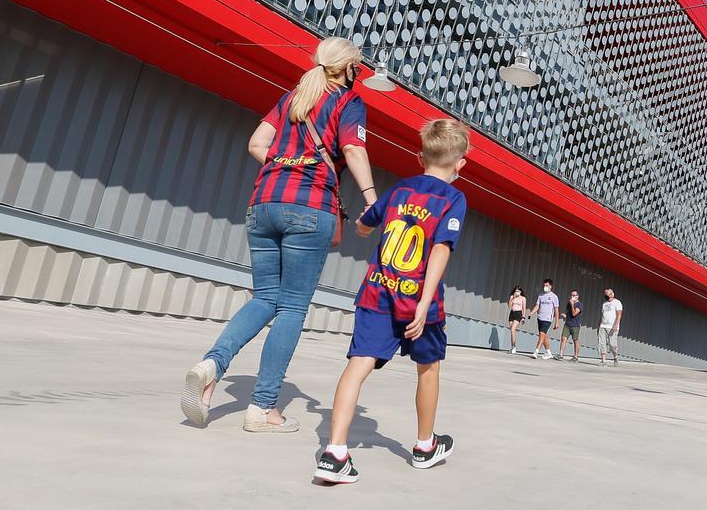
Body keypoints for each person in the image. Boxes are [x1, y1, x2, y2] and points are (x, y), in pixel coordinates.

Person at [180, 37, 376, 431]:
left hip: (263, 203)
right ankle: (262, 409)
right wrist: (372, 199)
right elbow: (353, 150)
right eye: (358, 65)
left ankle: (211, 365)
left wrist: (287, 165)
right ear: (348, 68)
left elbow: (257, 143)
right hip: (308, 207)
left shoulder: (293, 97)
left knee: (265, 297)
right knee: (291, 307)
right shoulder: (347, 102)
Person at [314, 119, 469, 483]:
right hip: (419, 301)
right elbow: (441, 251)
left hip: (378, 293)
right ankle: (424, 445)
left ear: (420, 157)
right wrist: (424, 301)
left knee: (358, 364)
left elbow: (367, 223)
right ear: (460, 163)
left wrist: (366, 226)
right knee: (428, 367)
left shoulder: (400, 190)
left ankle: (335, 452)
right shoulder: (453, 199)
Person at [530, 278, 560, 359]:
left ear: (551, 286)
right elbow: (537, 306)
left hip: (547, 319)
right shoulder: (541, 295)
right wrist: (531, 313)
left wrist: (557, 322)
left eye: (546, 285)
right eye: (544, 285)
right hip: (540, 317)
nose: (545, 287)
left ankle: (536, 351)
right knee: (544, 336)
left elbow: (556, 310)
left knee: (541, 335)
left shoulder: (554, 297)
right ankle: (548, 352)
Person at [598, 288, 623, 366]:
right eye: (605, 293)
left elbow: (619, 315)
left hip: (612, 327)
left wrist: (616, 325)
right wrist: (599, 325)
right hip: (603, 326)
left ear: (612, 294)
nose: (605, 295)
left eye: (607, 293)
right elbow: (602, 315)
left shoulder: (617, 303)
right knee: (602, 343)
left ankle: (615, 356)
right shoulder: (604, 303)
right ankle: (604, 361)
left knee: (612, 344)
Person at [555, 289, 582, 361]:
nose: (572, 297)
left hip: (575, 325)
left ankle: (575, 356)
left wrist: (572, 304)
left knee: (575, 340)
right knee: (563, 339)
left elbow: (574, 313)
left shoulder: (579, 305)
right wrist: (565, 316)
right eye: (571, 295)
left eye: (574, 295)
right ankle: (561, 354)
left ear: (577, 296)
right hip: (567, 324)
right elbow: (569, 314)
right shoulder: (569, 303)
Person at [506, 285, 527, 354]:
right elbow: (509, 306)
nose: (516, 292)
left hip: (518, 314)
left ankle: (514, 346)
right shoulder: (512, 297)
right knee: (512, 331)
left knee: (513, 329)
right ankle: (513, 346)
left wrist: (523, 317)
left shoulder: (523, 298)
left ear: (520, 292)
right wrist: (513, 298)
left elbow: (524, 308)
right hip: (512, 313)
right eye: (515, 291)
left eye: (518, 291)